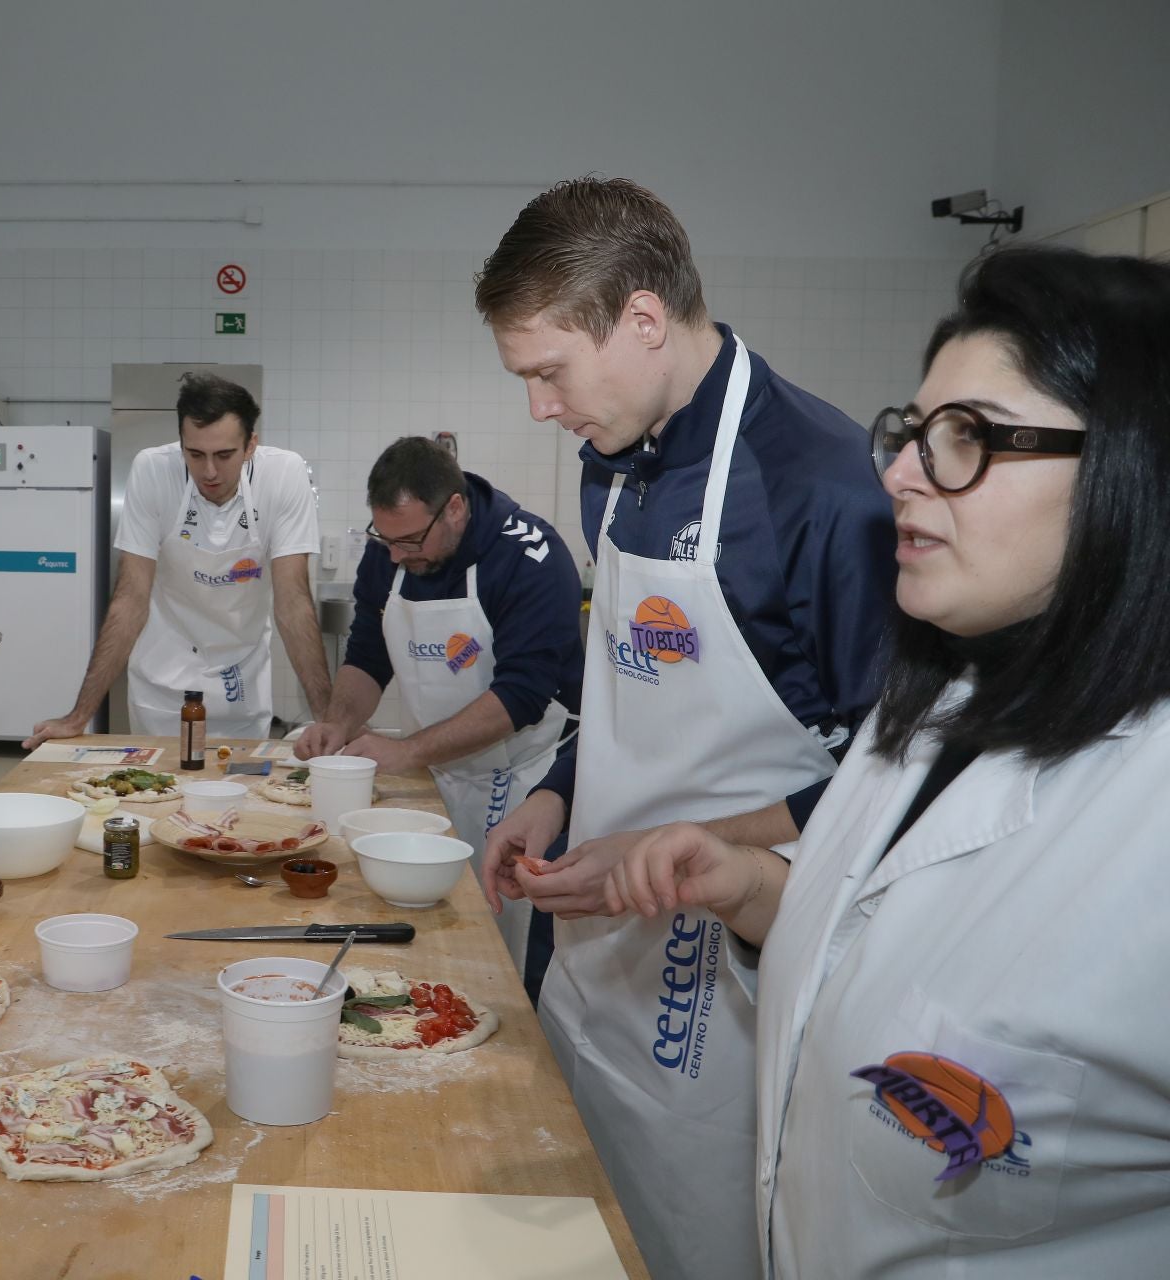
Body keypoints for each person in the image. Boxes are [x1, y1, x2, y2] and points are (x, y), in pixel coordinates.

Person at [606, 246, 1170, 1277]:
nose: (901, 471)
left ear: (1133, 470)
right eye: (912, 432)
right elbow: (884, 953)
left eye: (968, 438)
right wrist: (753, 892)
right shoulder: (930, 705)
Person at [472, 177, 895, 1279]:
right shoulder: (609, 466)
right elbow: (623, 684)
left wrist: (685, 847)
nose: (539, 409)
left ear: (643, 320)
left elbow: (892, 779)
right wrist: (558, 794)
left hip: (733, 1000)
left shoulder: (824, 487)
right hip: (596, 963)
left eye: (548, 373)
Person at [296, 437, 582, 970]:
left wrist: (407, 752)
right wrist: (338, 722)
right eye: (386, 539)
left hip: (526, 784)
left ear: (455, 507)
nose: (398, 554)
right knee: (437, 939)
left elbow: (521, 695)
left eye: (410, 540)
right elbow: (368, 652)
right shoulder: (390, 555)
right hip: (438, 779)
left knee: (507, 949)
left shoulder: (528, 555)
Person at [25, 372, 329, 744]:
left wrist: (328, 721)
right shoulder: (153, 470)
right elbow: (130, 598)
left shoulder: (284, 475)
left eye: (224, 455)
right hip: (163, 676)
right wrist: (78, 717)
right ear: (181, 443)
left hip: (240, 678)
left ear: (251, 445)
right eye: (195, 454)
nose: (209, 471)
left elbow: (293, 602)